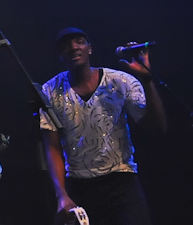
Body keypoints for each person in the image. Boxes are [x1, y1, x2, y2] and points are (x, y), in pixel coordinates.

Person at [39, 28, 167, 225]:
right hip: (79, 185)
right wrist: (62, 195)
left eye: (79, 41)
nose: (74, 47)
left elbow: (157, 126)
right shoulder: (50, 90)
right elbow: (53, 147)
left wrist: (147, 79)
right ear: (60, 55)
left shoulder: (120, 81)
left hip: (121, 180)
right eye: (67, 45)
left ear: (90, 49)